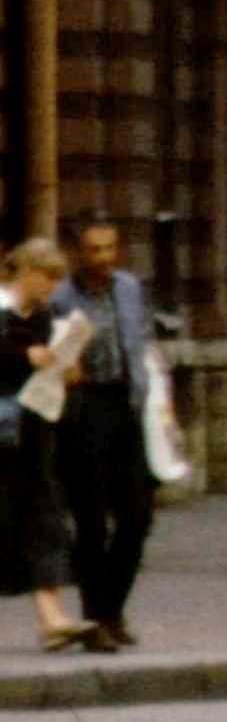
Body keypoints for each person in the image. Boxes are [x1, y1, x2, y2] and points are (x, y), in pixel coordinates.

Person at [53, 218, 165, 646]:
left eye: (109, 248)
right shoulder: (62, 299)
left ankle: (111, 609)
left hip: (127, 405)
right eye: (94, 250)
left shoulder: (129, 288)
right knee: (91, 519)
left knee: (137, 516)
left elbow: (144, 339)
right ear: (78, 254)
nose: (103, 258)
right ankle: (95, 620)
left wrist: (159, 398)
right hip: (84, 410)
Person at [5, 238, 99, 652]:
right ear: (26, 271)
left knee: (43, 518)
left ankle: (52, 618)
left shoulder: (46, 316)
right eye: (46, 279)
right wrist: (27, 358)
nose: (50, 290)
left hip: (31, 431)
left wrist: (65, 368)